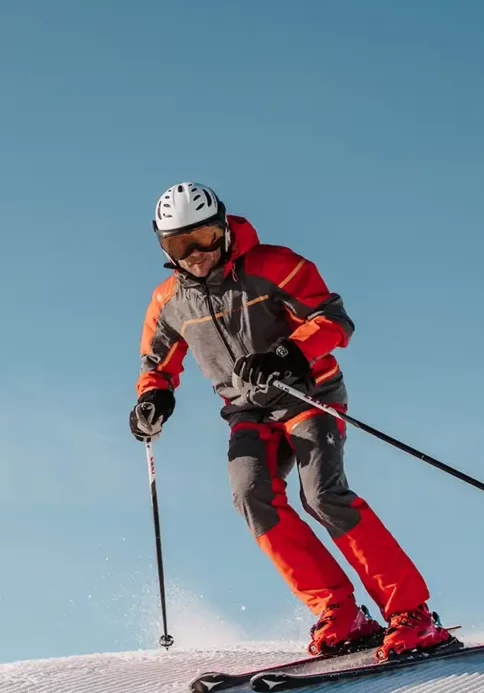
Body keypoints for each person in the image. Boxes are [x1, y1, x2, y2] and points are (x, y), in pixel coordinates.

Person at [130, 182, 453, 659]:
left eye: (203, 238)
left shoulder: (276, 266)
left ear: (223, 228)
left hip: (307, 394)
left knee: (323, 494)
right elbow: (156, 366)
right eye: (180, 245)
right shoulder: (169, 301)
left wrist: (288, 352)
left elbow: (334, 320)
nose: (196, 254)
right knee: (251, 496)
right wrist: (153, 399)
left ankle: (411, 614)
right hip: (246, 409)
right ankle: (340, 612)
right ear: (164, 246)